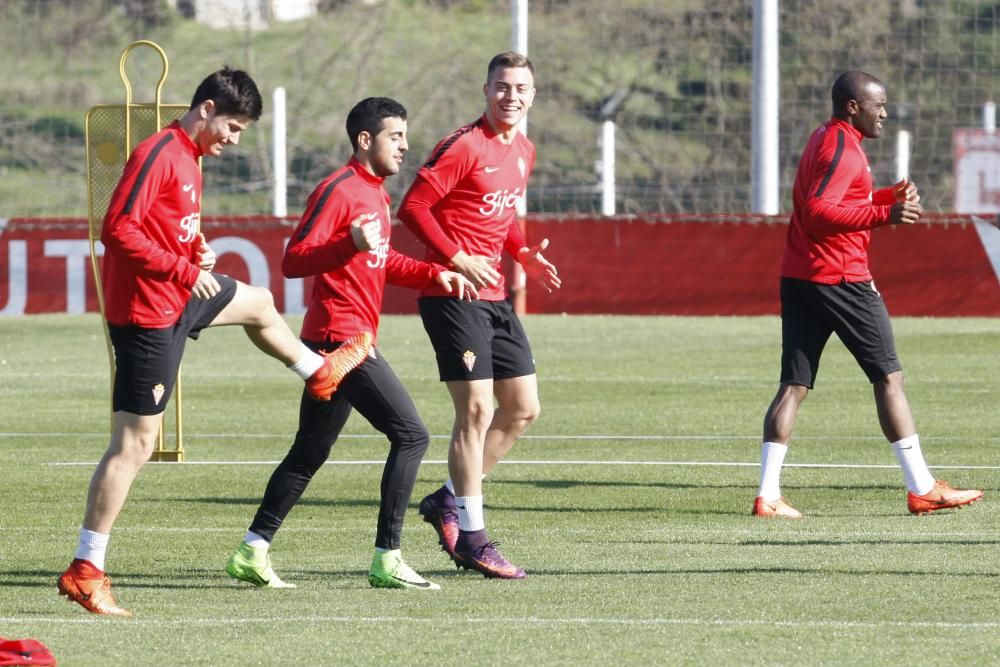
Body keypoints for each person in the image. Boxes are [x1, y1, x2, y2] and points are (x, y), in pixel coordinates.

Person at [57, 67, 370, 617]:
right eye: (233, 126)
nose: (234, 139)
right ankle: (86, 568)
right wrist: (181, 266)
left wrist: (194, 248)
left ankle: (317, 371)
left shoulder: (191, 156)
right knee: (134, 445)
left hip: (178, 295)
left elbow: (168, 225)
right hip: (147, 316)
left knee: (259, 303)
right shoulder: (158, 152)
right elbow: (117, 228)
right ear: (205, 109)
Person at [224, 97, 477, 591]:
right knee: (412, 435)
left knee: (308, 453)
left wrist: (435, 274)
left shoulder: (376, 193)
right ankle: (388, 557)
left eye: (405, 136)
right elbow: (294, 260)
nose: (405, 146)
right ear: (366, 140)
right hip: (343, 341)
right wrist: (348, 245)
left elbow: (381, 261)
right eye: (395, 137)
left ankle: (252, 550)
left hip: (343, 338)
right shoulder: (340, 189)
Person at [753, 70, 984, 519]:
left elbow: (830, 199)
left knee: (794, 385)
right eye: (878, 105)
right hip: (841, 278)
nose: (885, 113)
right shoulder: (843, 147)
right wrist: (886, 214)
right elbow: (820, 212)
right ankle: (921, 488)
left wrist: (883, 195)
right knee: (889, 377)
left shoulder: (827, 137)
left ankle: (768, 495)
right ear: (853, 107)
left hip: (802, 276)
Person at [397, 51, 561, 579]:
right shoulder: (463, 145)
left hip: (495, 297)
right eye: (502, 86)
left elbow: (502, 215)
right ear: (485, 90)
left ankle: (448, 499)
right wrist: (454, 255)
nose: (510, 96)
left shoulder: (525, 150)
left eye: (520, 88)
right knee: (475, 411)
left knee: (523, 408)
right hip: (452, 294)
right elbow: (413, 208)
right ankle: (472, 536)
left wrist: (523, 253)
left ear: (533, 96)